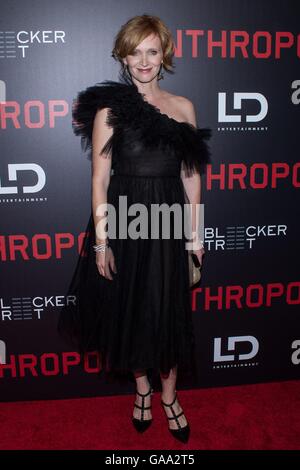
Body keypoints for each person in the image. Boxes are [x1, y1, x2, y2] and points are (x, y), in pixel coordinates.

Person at [58, 14, 212, 444]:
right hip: (126, 221)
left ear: (164, 55)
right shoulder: (110, 110)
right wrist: (102, 242)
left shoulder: (183, 108)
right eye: (135, 51)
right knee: (132, 313)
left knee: (170, 312)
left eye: (152, 51)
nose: (144, 61)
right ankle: (142, 391)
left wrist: (195, 234)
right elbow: (100, 180)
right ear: (122, 57)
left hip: (168, 222)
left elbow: (191, 178)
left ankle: (169, 396)